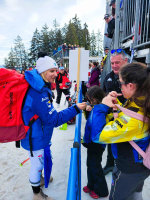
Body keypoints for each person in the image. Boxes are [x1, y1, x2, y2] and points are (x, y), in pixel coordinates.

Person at [21, 56, 86, 200]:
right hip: (34, 136)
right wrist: (75, 108)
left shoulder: (39, 86)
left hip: (36, 133)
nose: (56, 74)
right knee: (37, 164)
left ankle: (40, 179)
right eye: (52, 70)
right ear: (43, 71)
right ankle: (36, 194)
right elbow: (53, 119)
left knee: (39, 161)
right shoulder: (38, 92)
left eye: (56, 70)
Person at [92, 62, 150, 200]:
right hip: (140, 166)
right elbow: (128, 119)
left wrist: (101, 107)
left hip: (129, 169)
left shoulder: (134, 118)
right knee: (136, 194)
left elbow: (98, 136)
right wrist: (115, 108)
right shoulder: (141, 100)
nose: (119, 86)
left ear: (131, 86)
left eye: (121, 82)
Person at [102, 49, 127, 175]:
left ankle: (123, 167)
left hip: (128, 118)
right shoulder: (109, 77)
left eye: (117, 62)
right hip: (112, 117)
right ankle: (110, 164)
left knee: (125, 144)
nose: (114, 66)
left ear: (126, 61)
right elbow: (102, 94)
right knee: (111, 142)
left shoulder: (133, 77)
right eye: (112, 63)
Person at [82, 86, 109, 199]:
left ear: (97, 98)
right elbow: (90, 122)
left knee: (95, 166)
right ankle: (91, 185)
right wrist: (86, 110)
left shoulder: (101, 110)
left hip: (96, 144)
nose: (90, 102)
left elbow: (97, 128)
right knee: (90, 164)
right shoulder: (96, 108)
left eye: (91, 100)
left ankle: (101, 191)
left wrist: (93, 141)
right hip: (91, 142)